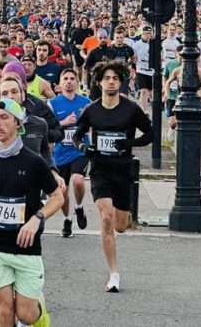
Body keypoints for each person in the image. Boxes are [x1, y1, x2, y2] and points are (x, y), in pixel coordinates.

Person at [0, 98, 62, 327]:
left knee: (25, 315)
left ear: (18, 123)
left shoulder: (34, 162)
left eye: (4, 117)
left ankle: (39, 310)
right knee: (4, 311)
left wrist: (37, 218)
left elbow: (57, 197)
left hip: (26, 247)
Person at [72, 61, 153, 292]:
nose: (110, 82)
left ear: (120, 82)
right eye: (106, 78)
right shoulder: (91, 110)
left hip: (123, 171)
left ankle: (121, 223)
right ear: (99, 82)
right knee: (106, 218)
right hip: (100, 170)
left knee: (121, 226)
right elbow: (77, 136)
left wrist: (129, 143)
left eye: (115, 78)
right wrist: (83, 147)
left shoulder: (131, 109)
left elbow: (150, 134)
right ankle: (113, 274)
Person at [49, 67, 92, 237]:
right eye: (65, 79)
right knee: (63, 191)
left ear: (77, 83)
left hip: (79, 150)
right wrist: (64, 122)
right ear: (60, 83)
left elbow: (93, 124)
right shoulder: (53, 104)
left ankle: (79, 207)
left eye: (72, 79)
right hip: (60, 153)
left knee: (78, 180)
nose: (69, 82)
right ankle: (67, 219)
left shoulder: (86, 103)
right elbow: (49, 129)